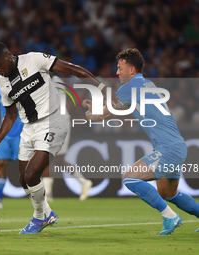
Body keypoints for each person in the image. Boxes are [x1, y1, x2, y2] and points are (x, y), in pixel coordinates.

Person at [0, 41, 119, 234]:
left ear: (8, 55)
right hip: (29, 128)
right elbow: (10, 115)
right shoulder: (3, 83)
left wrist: (103, 89)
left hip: (53, 120)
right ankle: (46, 213)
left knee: (31, 175)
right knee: (22, 179)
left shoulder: (34, 60)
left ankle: (40, 217)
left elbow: (72, 69)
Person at [84, 48, 199, 235]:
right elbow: (121, 107)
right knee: (168, 193)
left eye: (120, 68)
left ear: (131, 70)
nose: (117, 72)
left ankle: (170, 216)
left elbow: (106, 113)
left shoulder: (129, 87)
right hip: (177, 145)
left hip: (168, 148)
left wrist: (91, 115)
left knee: (129, 178)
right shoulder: (148, 84)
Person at [42, 76, 93, 203]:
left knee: (48, 157)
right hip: (60, 121)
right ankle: (84, 182)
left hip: (58, 122)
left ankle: (47, 195)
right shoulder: (56, 81)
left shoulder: (53, 81)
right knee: (58, 158)